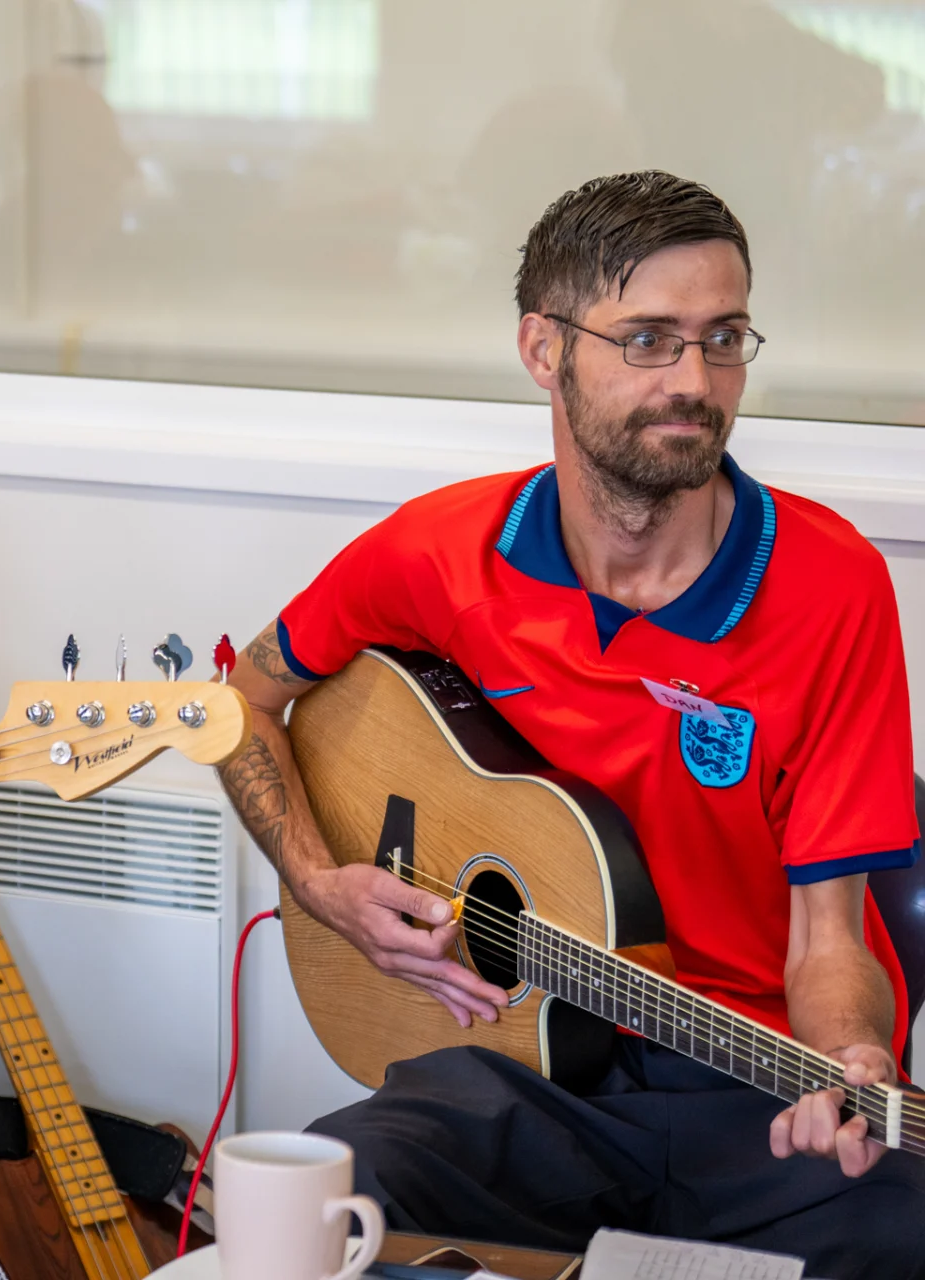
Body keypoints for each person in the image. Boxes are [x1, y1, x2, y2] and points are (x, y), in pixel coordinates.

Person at [218, 171, 925, 1275]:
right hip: (524, 1069)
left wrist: (850, 1059)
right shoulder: (440, 551)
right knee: (320, 1208)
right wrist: (319, 883)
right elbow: (240, 704)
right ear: (544, 349)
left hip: (753, 1082)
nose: (695, 381)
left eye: (724, 338)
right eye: (648, 340)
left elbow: (828, 934)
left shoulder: (830, 585)